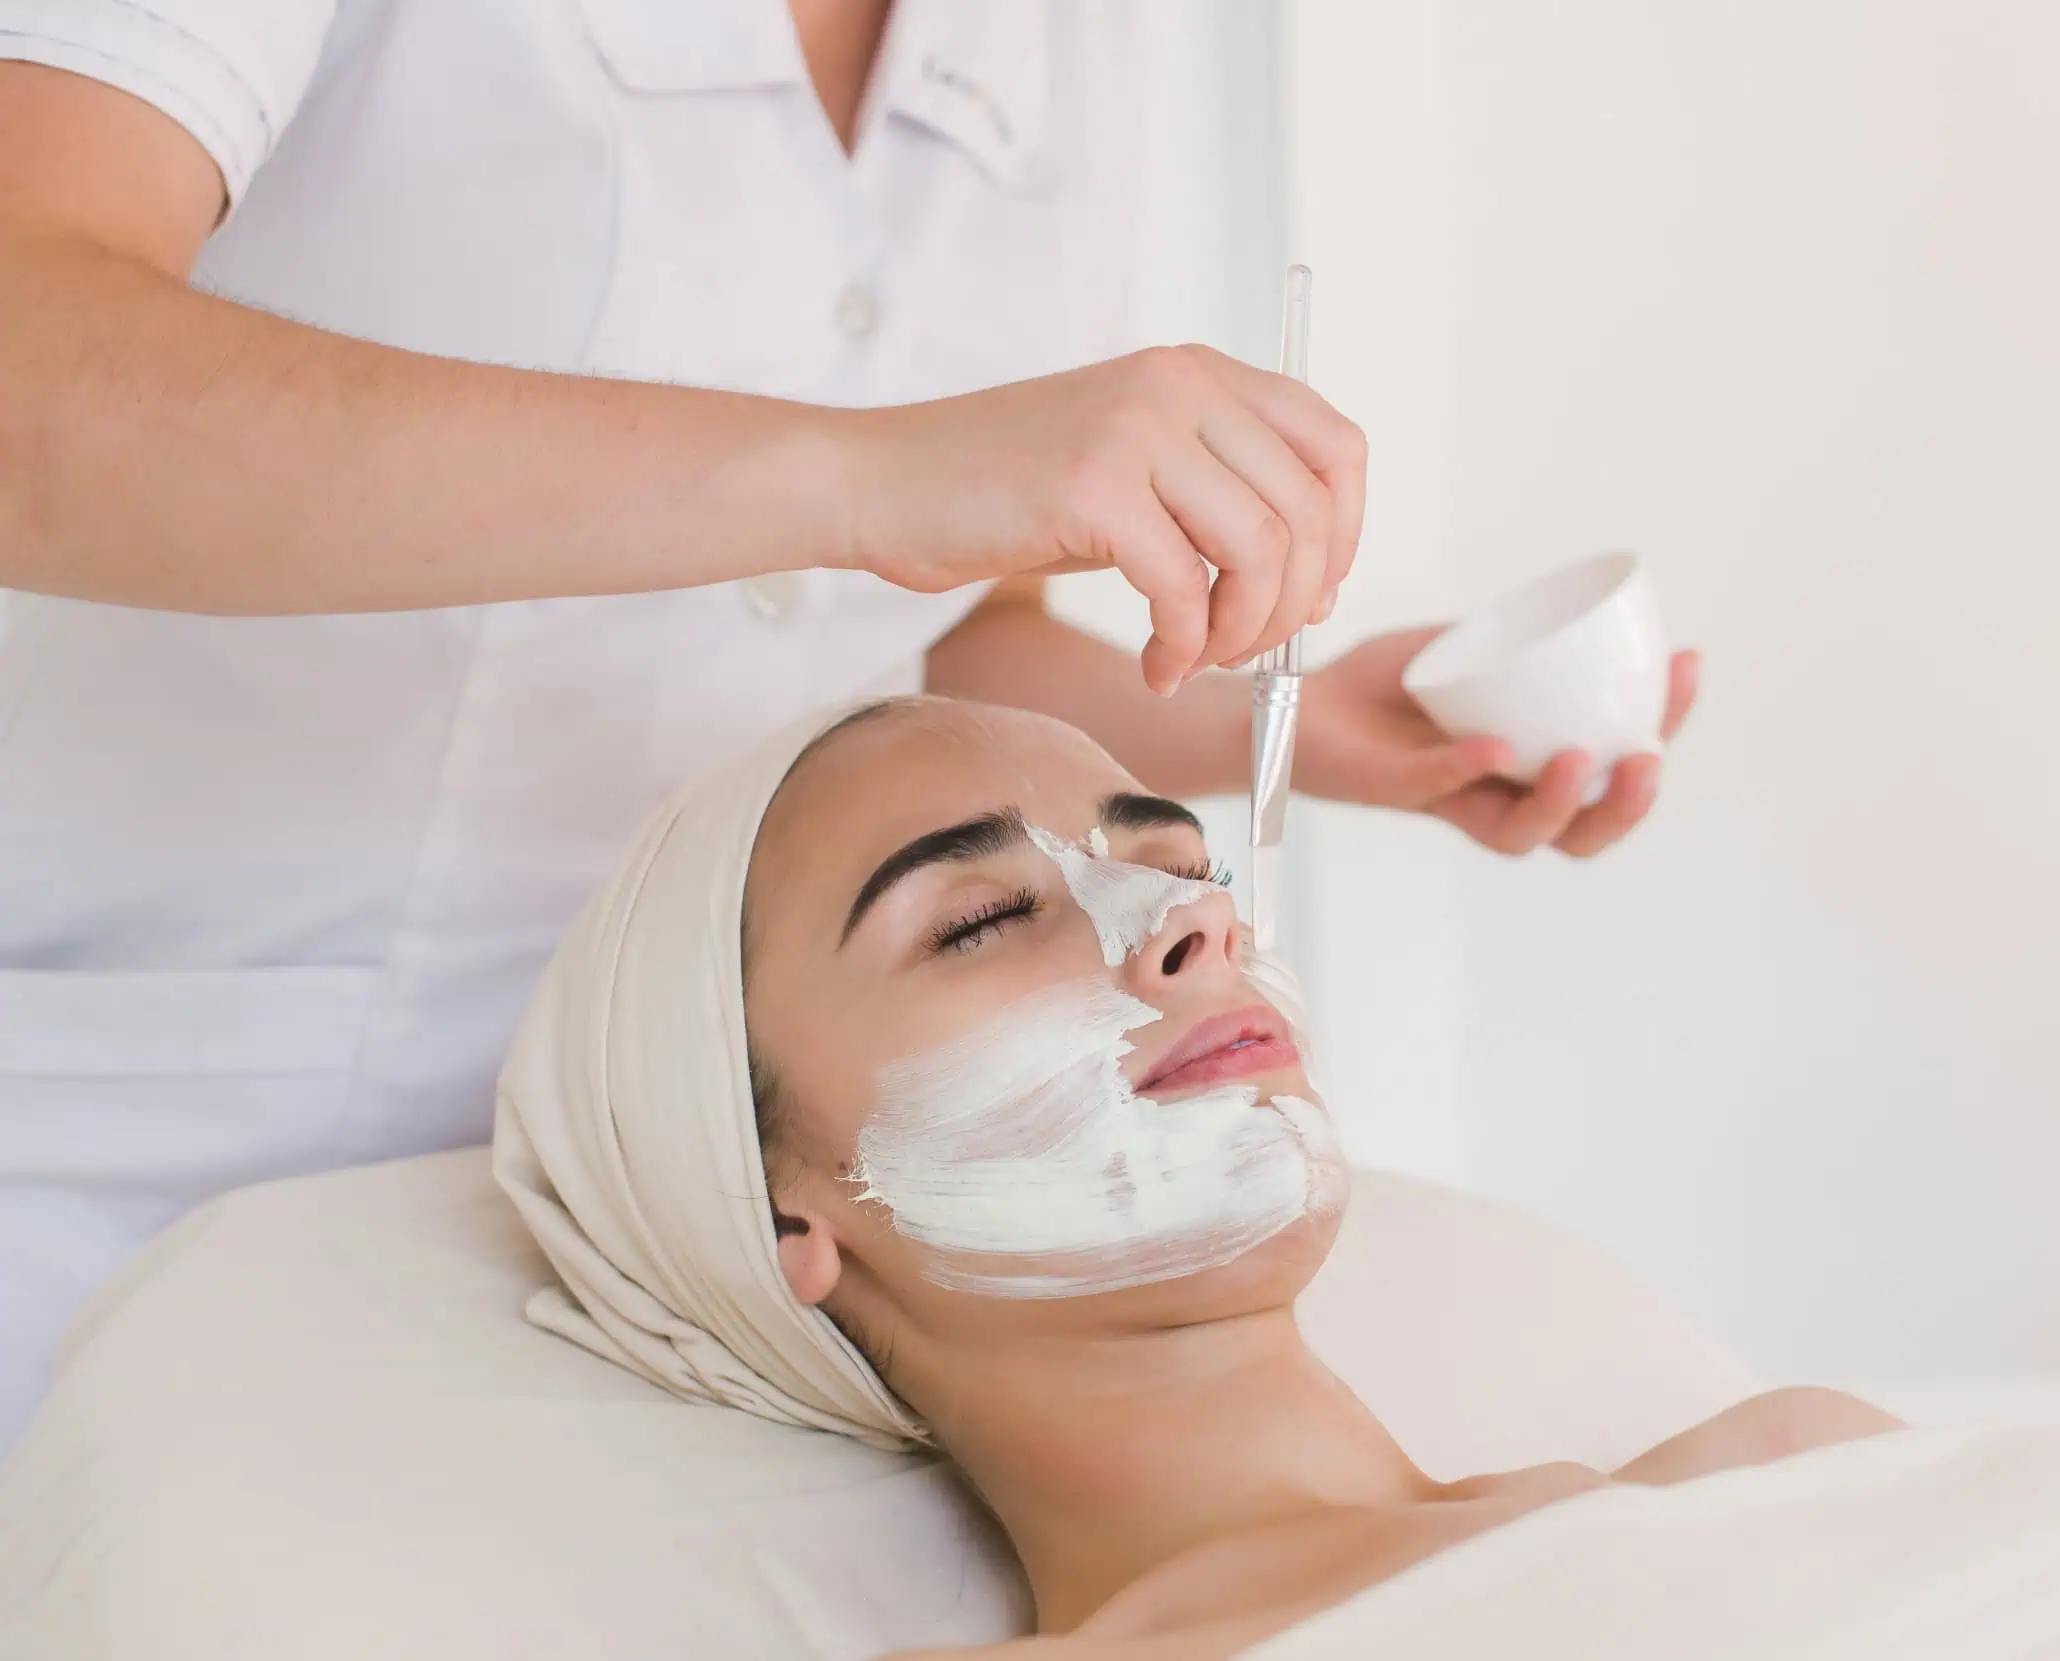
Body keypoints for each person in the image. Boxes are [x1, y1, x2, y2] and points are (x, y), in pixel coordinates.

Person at [0, 0, 1697, 1446]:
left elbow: (897, 627)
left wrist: (1293, 722)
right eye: (980, 920)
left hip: (738, 1250)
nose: (1184, 931)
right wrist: (866, 473)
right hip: (134, 1149)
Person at [493, 694, 1892, 1657]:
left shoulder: (1796, 1467)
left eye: (1178, 863)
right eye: (979, 921)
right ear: (778, 1208)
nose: (1188, 922)